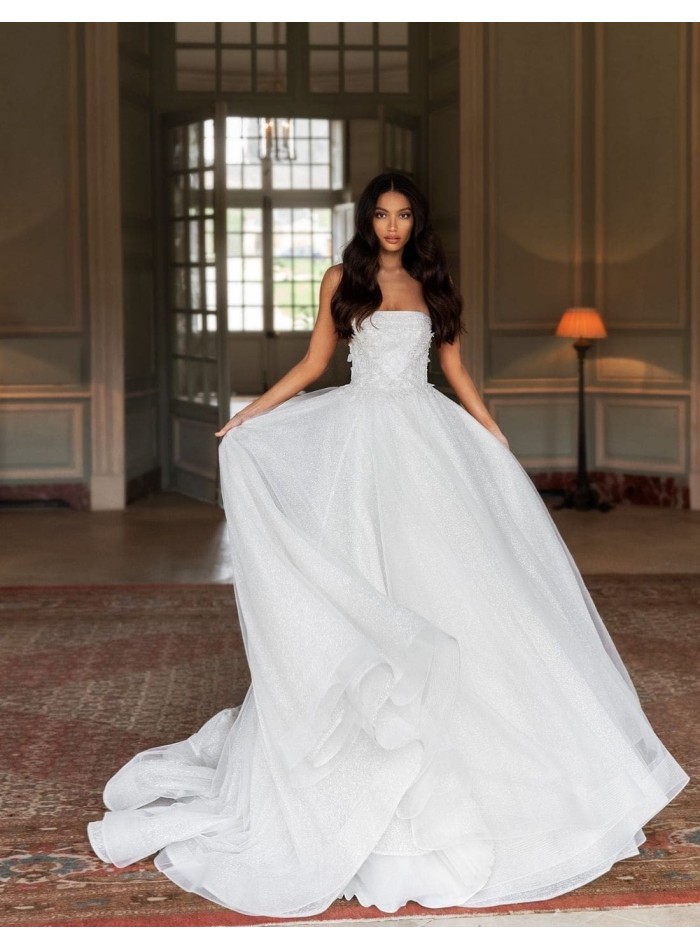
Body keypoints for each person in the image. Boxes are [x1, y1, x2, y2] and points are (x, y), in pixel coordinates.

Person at [87, 172, 689, 919]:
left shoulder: (434, 284)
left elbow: (457, 371)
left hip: (425, 445)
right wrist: (250, 416)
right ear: (366, 219)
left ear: (418, 222)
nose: (394, 226)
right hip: (361, 444)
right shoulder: (347, 278)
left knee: (460, 589)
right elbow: (314, 365)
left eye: (405, 215)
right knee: (366, 586)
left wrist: (493, 439)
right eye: (382, 213)